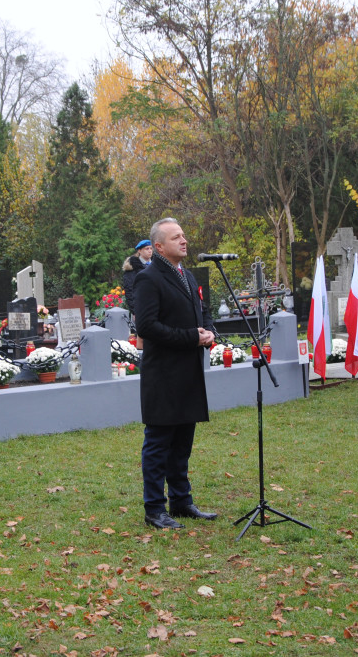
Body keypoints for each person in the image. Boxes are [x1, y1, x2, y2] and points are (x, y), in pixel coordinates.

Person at [133, 218, 218, 529]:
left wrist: (208, 332)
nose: (184, 241)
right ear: (159, 247)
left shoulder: (185, 274)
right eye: (176, 237)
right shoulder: (149, 278)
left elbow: (201, 311)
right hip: (164, 375)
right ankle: (155, 509)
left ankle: (181, 501)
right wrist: (191, 337)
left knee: (183, 441)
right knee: (158, 444)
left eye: (183, 235)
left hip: (188, 371)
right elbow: (146, 326)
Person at [121, 239, 153, 315]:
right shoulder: (132, 269)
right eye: (147, 248)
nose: (150, 251)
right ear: (139, 250)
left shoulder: (158, 265)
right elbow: (130, 291)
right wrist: (135, 311)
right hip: (142, 310)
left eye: (151, 248)